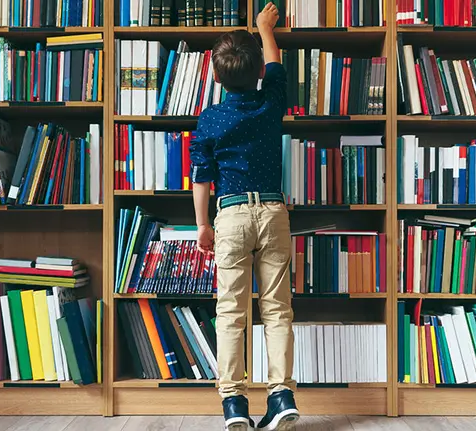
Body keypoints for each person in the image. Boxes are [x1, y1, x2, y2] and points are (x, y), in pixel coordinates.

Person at [189, 3, 298, 430]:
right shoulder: (271, 102)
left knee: (231, 312)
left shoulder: (210, 119)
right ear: (258, 74)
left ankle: (234, 403)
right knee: (278, 309)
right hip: (273, 211)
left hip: (231, 215)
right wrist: (265, 29)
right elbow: (276, 68)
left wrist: (202, 225)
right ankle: (281, 395)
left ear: (216, 77)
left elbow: (201, 176)